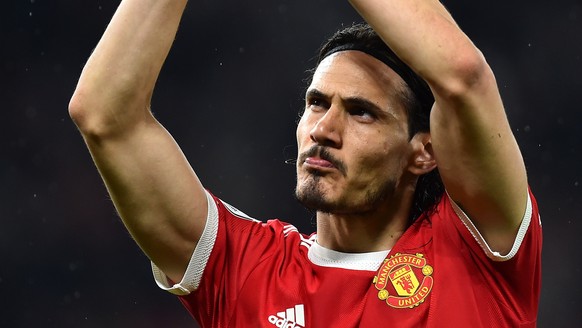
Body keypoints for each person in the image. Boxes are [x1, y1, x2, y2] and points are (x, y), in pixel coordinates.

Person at [69, 0, 541, 327]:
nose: (324, 130)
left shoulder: (477, 252)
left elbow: (461, 75)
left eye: (361, 112)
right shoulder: (244, 270)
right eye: (317, 103)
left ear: (424, 151)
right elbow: (106, 116)